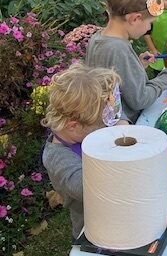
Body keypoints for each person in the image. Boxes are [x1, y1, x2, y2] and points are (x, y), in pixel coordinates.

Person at [41, 63, 128, 240]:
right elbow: (87, 188)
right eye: (102, 125)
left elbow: (114, 118)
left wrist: (119, 123)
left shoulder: (83, 131)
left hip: (120, 210)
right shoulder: (57, 157)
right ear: (74, 126)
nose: (106, 128)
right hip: (94, 226)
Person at [85, 0, 167, 122]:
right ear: (135, 19)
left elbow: (115, 79)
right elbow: (140, 100)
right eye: (149, 23)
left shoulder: (98, 38)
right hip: (123, 126)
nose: (148, 28)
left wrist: (137, 66)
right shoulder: (118, 49)